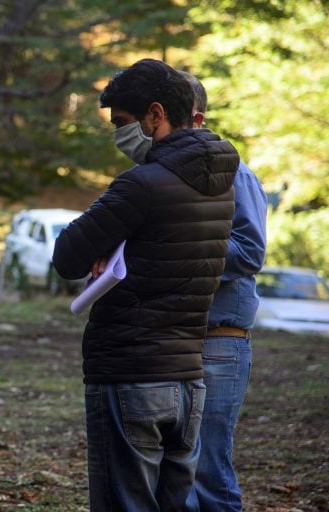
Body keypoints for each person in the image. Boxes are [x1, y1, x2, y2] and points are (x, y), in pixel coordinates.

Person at [52, 58, 239, 511]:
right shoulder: (221, 183)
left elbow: (67, 255)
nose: (118, 135)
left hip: (132, 371)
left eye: (122, 123)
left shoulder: (142, 185)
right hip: (189, 378)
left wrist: (110, 241)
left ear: (156, 115)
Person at [182, 72, 268, 511]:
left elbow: (250, 252)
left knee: (209, 472)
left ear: (194, 117)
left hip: (219, 340)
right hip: (175, 339)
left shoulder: (236, 173)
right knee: (177, 471)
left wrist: (181, 246)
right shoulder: (164, 175)